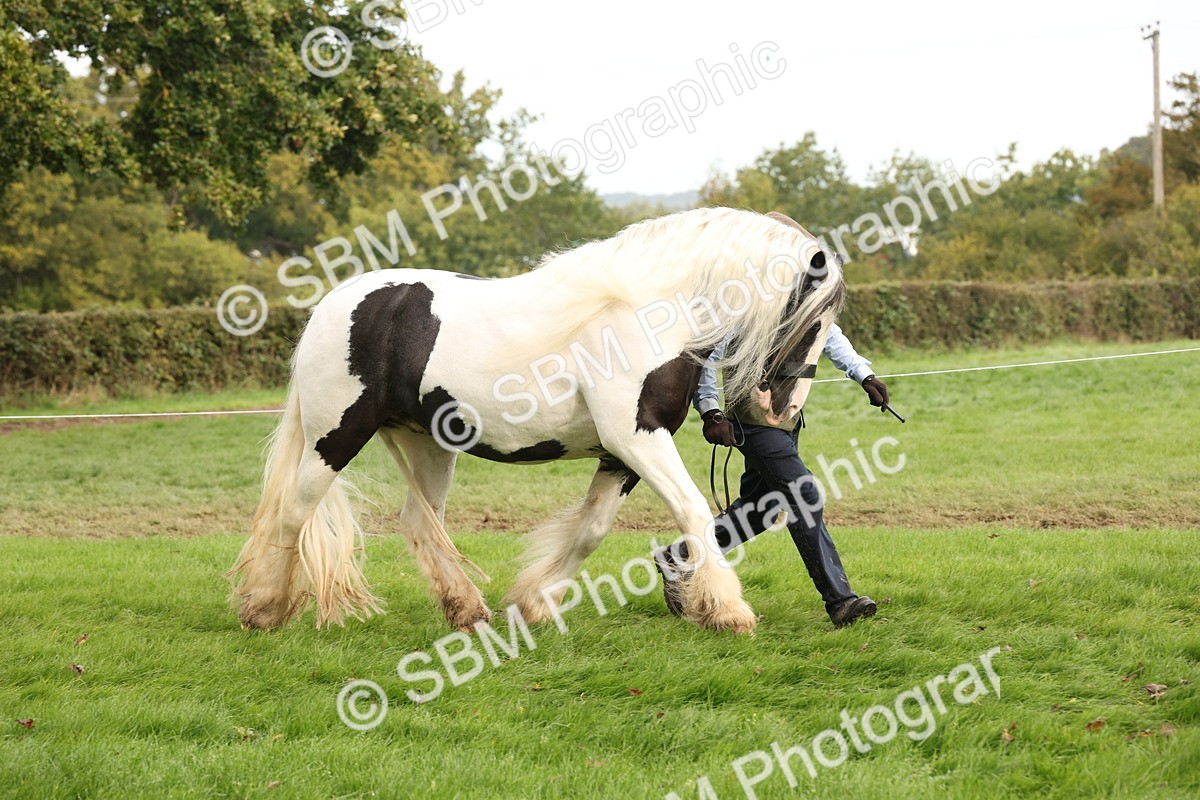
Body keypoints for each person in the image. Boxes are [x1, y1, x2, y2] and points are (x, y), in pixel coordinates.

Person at [657, 322, 891, 628]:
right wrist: (711, 411)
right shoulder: (752, 300)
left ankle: (681, 556)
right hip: (751, 421)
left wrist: (865, 376)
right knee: (804, 495)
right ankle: (841, 601)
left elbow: (830, 336)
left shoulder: (807, 297)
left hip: (787, 420)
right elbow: (708, 357)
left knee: (761, 512)